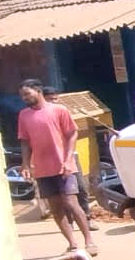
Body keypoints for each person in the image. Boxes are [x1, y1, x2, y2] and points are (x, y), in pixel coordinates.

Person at [17, 79, 98, 256]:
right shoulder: (23, 115)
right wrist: (25, 164)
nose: (24, 98)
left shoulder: (59, 110)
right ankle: (72, 243)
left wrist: (68, 159)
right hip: (42, 168)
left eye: (27, 94)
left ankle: (89, 240)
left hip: (64, 166)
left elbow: (72, 134)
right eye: (22, 96)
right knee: (55, 207)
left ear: (38, 91)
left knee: (71, 203)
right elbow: (25, 142)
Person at [41, 86, 98, 230]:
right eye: (50, 99)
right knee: (63, 194)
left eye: (55, 98)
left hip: (71, 156)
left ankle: (87, 218)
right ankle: (70, 222)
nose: (54, 101)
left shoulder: (62, 112)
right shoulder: (41, 117)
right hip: (54, 160)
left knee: (81, 188)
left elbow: (73, 133)